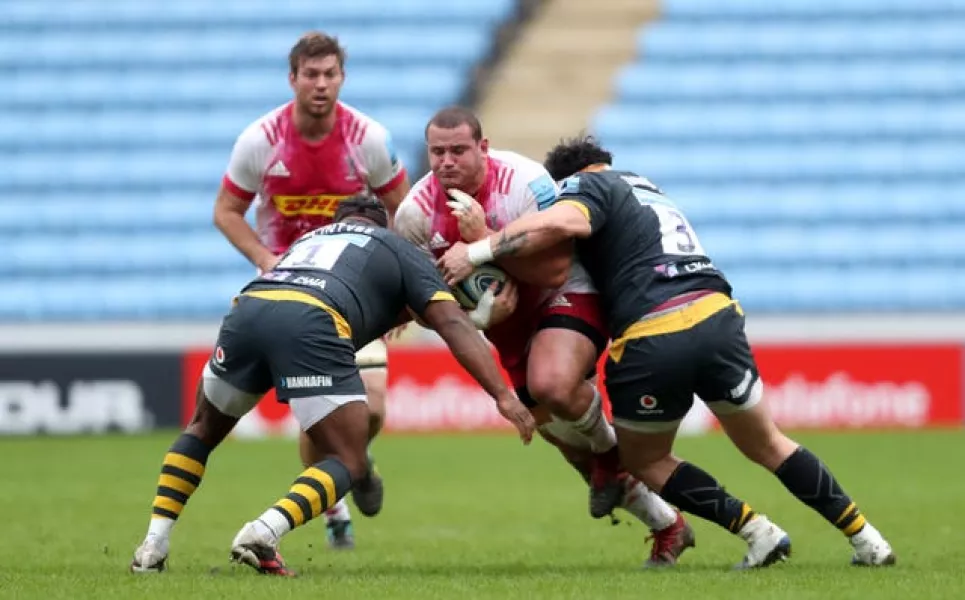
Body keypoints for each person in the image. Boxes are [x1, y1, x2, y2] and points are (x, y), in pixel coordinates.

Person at [437, 135, 897, 569]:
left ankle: (758, 532)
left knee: (645, 460)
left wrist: (481, 247)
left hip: (654, 331)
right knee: (770, 443)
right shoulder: (648, 188)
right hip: (717, 315)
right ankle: (868, 540)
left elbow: (567, 221)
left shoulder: (587, 184)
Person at [131, 196, 535, 576]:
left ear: (338, 223)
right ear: (383, 225)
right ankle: (263, 532)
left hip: (248, 309)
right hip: (311, 321)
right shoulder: (394, 246)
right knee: (349, 459)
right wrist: (502, 393)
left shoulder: (308, 240)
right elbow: (449, 322)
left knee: (201, 430)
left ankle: (153, 545)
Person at [395, 108, 694, 567]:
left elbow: (555, 269)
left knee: (553, 385)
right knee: (566, 443)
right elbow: (419, 304)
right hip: (504, 326)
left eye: (458, 150)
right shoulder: (414, 214)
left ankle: (612, 456)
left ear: (483, 147)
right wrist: (476, 318)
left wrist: (484, 243)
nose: (447, 161)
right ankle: (668, 526)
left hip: (565, 295)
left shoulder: (525, 182)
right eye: (438, 152)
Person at [213, 31, 411, 548]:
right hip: (295, 294)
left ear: (341, 78)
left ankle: (358, 466)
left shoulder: (367, 138)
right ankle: (335, 506)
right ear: (293, 79)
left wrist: (401, 286)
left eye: (330, 75)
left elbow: (404, 211)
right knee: (320, 417)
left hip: (356, 291)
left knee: (372, 407)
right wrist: (264, 258)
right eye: (311, 75)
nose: (320, 84)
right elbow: (226, 211)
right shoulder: (261, 139)